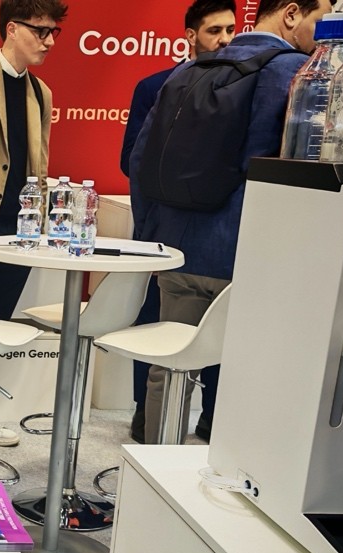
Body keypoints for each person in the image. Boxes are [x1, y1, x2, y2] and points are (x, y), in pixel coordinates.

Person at [129, 0, 331, 444]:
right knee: (246, 371)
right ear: (292, 14)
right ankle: (223, 469)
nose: (322, 34)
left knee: (170, 364)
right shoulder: (297, 71)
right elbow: (300, 168)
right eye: (321, 20)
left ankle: (152, 457)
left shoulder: (187, 71)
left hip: (176, 249)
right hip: (247, 255)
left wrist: (151, 240)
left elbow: (141, 162)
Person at [121, 0, 236, 443]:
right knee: (158, 330)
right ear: (191, 35)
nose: (224, 40)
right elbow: (133, 160)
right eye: (213, 31)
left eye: (230, 30)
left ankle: (212, 419)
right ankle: (145, 417)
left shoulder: (244, 88)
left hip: (222, 239)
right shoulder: (157, 86)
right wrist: (150, 231)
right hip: (166, 235)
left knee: (221, 332)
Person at [0, 0, 67, 467]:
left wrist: (42, 226)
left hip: (18, 232)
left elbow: (39, 164)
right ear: (12, 29)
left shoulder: (41, 92)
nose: (48, 42)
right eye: (40, 31)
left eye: (54, 33)